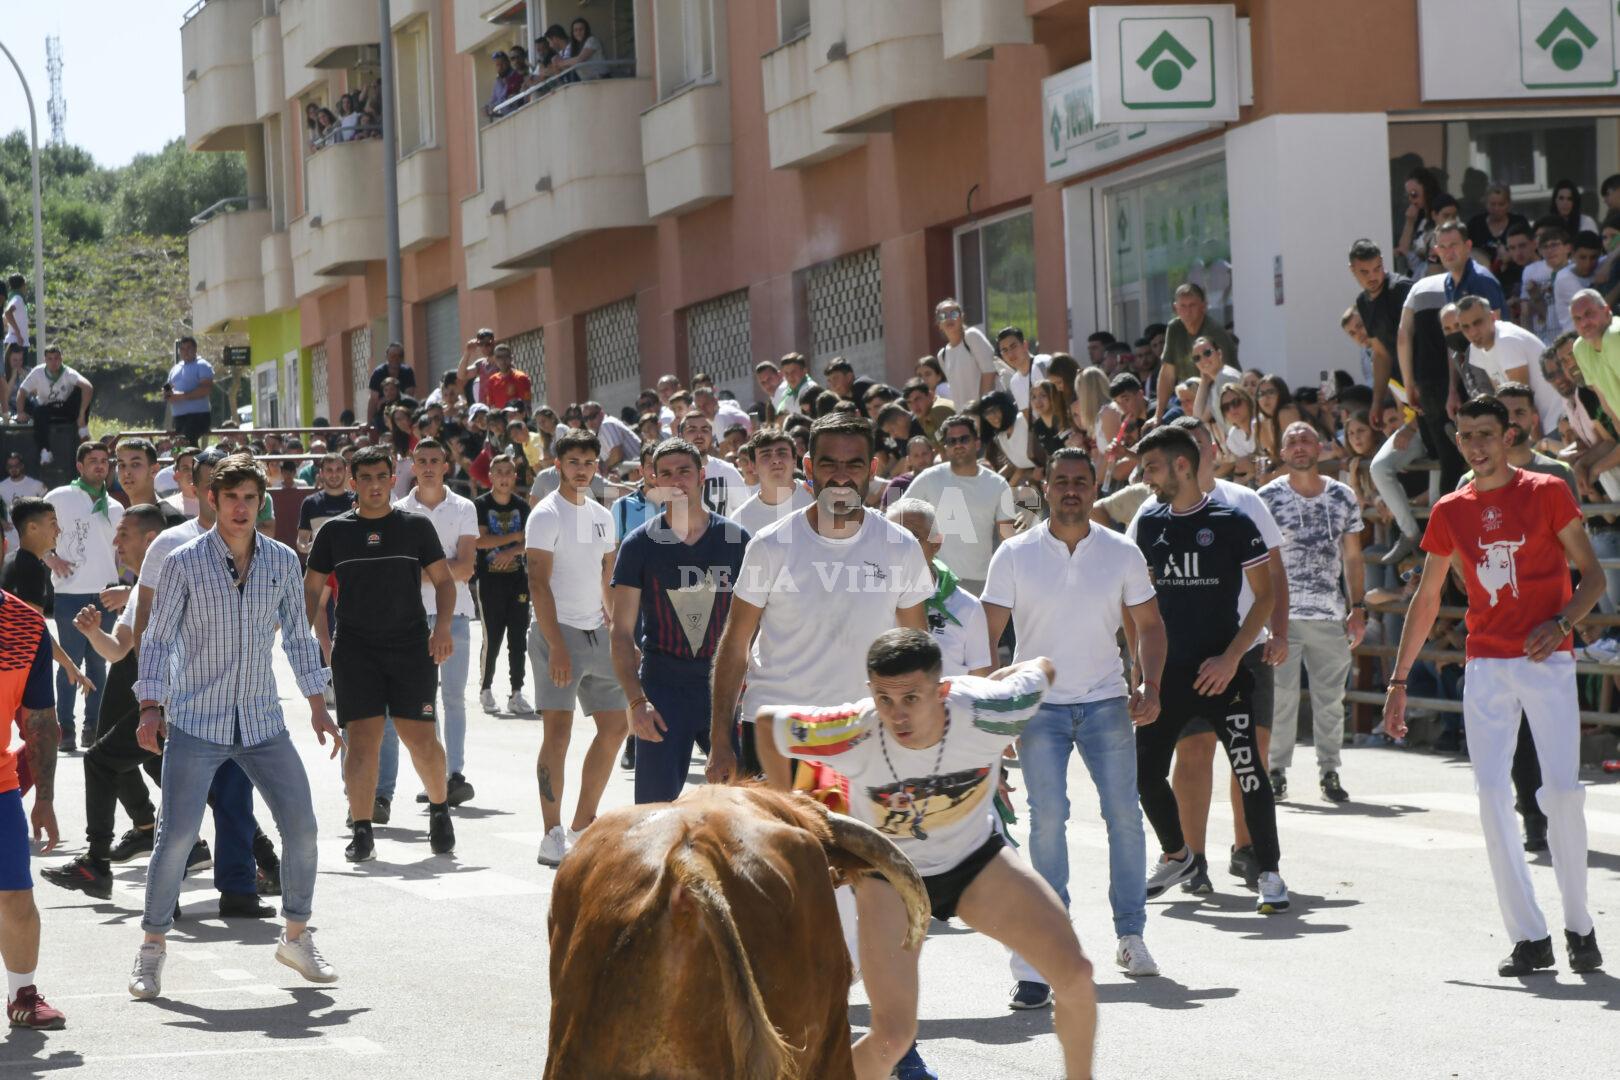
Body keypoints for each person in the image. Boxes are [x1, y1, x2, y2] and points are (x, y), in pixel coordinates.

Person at [755, 631, 1096, 1080]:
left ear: (943, 690)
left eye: (912, 698)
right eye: (884, 698)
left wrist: (1002, 679)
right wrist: (796, 825)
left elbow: (1045, 667)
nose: (897, 715)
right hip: (888, 876)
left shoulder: (990, 710)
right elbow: (766, 724)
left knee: (1076, 976)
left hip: (977, 864)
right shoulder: (855, 728)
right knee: (893, 1037)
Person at [1384, 394, 1603, 976]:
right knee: (1488, 798)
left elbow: (1594, 576)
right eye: (1466, 436)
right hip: (1486, 664)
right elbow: (1427, 599)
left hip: (1548, 659)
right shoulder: (1450, 510)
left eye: (1486, 433)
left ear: (1509, 435)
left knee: (1561, 795)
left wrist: (1561, 623)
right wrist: (1398, 681)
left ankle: (1580, 925)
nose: (1476, 445)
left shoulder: (1548, 492)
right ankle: (1530, 936)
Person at [128, 454, 341, 1000]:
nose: (242, 507)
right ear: (212, 502)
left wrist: (318, 703)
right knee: (175, 837)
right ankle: (151, 948)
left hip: (263, 720)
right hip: (197, 719)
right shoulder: (183, 562)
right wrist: (151, 706)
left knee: (304, 829)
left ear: (260, 502)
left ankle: (296, 935)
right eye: (232, 498)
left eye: (251, 498)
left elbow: (297, 635)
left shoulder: (281, 562)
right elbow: (157, 639)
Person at [981, 449, 1165, 989]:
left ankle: (1130, 935)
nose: (1070, 490)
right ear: (1043, 486)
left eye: (1080, 482)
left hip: (1107, 701)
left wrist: (1149, 683)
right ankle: (1050, 938)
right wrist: (999, 711)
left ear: (1094, 487)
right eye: (1059, 481)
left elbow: (1150, 625)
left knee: (1125, 818)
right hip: (1039, 707)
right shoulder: (1013, 554)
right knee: (1048, 819)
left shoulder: (1121, 551)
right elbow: (985, 636)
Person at [706, 414, 933, 789]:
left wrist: (924, 728)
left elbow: (918, 647)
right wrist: (719, 741)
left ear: (872, 469)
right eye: (829, 464)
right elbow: (735, 644)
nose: (841, 476)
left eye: (854, 464)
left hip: (865, 729)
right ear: (809, 468)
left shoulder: (901, 547)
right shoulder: (769, 544)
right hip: (776, 730)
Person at [1127, 425, 1289, 913]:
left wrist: (1233, 656)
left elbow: (1265, 596)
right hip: (1168, 676)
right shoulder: (1150, 523)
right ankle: (1179, 855)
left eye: (1152, 467)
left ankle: (1269, 871)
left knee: (1249, 770)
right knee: (1146, 776)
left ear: (1182, 465)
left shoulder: (1233, 520)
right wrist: (1142, 674)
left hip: (1226, 673)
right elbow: (1134, 604)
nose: (1145, 478)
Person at [304, 446, 457, 864]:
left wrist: (442, 627)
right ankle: (363, 829)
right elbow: (311, 589)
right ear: (353, 483)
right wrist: (310, 641)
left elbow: (444, 582)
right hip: (355, 650)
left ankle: (440, 811)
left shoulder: (416, 527)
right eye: (365, 478)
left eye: (381, 477)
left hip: (411, 647)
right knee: (362, 742)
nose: (373, 485)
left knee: (420, 739)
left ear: (393, 480)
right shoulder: (334, 532)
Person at [609, 438, 748, 804]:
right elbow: (621, 632)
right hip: (663, 691)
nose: (676, 480)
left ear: (702, 475)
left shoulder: (737, 539)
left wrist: (752, 681)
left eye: (684, 471)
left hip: (725, 689)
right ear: (653, 481)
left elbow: (761, 623)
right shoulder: (638, 545)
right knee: (653, 815)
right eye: (666, 473)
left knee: (742, 808)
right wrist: (637, 703)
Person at [525, 430, 627, 866]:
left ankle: (583, 826)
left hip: (597, 633)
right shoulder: (546, 515)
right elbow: (537, 582)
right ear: (558, 465)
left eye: (589, 462)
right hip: (557, 633)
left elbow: (607, 576)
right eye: (574, 462)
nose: (582, 469)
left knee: (615, 729)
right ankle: (551, 833)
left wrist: (616, 627)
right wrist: (556, 646)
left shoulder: (605, 515)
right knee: (559, 736)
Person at [1258, 423, 1365, 802]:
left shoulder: (1343, 495)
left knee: (1330, 699)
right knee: (1281, 697)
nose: (1299, 446)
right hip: (1280, 618)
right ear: (1283, 453)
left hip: (1329, 614)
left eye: (1306, 439)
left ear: (1318, 447)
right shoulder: (1266, 497)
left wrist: (1359, 607)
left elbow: (1353, 556)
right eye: (1292, 442)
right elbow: (1253, 561)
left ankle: (1330, 771)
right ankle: (1275, 770)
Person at [387, 440, 480, 807]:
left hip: (454, 612)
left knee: (454, 697)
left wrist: (424, 571)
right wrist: (443, 572)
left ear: (446, 465)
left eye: (434, 461)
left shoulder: (464, 507)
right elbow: (399, 570)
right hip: (409, 617)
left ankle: (455, 773)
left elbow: (467, 567)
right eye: (421, 460)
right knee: (423, 700)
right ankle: (435, 775)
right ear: (412, 465)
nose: (427, 466)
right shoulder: (398, 510)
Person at [0, 531, 64, 1028]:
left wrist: (44, 797)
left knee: (16, 898)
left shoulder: (25, 624)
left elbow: (40, 720)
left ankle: (24, 995)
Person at [44, 442, 123, 752]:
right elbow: (35, 531)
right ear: (79, 466)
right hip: (70, 594)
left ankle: (94, 726)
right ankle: (65, 728)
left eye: (104, 461)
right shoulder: (59, 497)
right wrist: (51, 558)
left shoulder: (116, 506)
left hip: (105, 594)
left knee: (99, 665)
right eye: (93, 461)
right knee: (69, 663)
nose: (100, 466)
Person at [903, 415, 1017, 596]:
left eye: (964, 439)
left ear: (977, 443)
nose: (958, 445)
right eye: (951, 441)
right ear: (946, 448)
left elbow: (1008, 539)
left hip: (981, 582)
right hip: (934, 579)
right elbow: (898, 518)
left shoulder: (998, 484)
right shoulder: (929, 478)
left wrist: (1007, 579)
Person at [885, 500, 991, 678]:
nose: (900, 546)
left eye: (912, 536)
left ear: (937, 543)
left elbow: (979, 679)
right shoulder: (866, 598)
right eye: (892, 536)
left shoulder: (967, 606)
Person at [474, 453, 533, 716]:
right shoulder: (480, 505)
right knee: (492, 638)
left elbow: (529, 541)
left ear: (515, 476)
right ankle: (485, 689)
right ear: (491, 476)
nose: (504, 477)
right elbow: (480, 541)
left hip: (518, 580)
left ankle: (517, 691)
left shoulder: (522, 506)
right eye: (498, 472)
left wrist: (512, 551)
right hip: (490, 582)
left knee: (518, 638)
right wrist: (513, 538)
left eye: (508, 472)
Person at [1457, 294, 1563, 439]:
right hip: (1539, 424)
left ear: (1493, 317)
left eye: (1478, 323)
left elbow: (1524, 403)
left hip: (1554, 423)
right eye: (1466, 327)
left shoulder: (1507, 341)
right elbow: (1500, 393)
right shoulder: (1477, 346)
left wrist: (1536, 452)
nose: (1473, 332)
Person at [1154, 283, 1239, 422]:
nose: (1187, 311)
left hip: (1217, 398)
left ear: (1203, 306)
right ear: (1175, 308)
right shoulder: (1174, 328)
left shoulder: (1215, 332)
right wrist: (1157, 415)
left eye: (1192, 305)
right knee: (1158, 427)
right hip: (1186, 398)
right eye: (1183, 306)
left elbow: (1223, 379)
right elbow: (1167, 374)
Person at [16, 348, 92, 467]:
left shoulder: (68, 373)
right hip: (46, 408)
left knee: (81, 390)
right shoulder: (38, 372)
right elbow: (22, 391)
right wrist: (20, 412)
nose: (53, 362)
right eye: (50, 359)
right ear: (45, 360)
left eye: (56, 358)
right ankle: (45, 451)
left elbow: (88, 387)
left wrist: (82, 414)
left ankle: (83, 430)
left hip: (66, 408)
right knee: (37, 410)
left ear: (61, 359)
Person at [732, 430, 812, 536]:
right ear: (753, 466)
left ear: (794, 460)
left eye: (782, 453)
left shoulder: (816, 497)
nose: (776, 460)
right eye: (766, 455)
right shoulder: (736, 521)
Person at [675, 412, 747, 518]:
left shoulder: (727, 472)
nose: (699, 435)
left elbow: (744, 514)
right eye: (692, 430)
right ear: (680, 436)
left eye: (705, 430)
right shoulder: (669, 474)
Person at [934, 300, 997, 405]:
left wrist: (981, 408)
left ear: (961, 318)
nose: (949, 318)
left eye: (954, 314)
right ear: (939, 324)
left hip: (988, 410)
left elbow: (990, 372)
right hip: (965, 416)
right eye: (943, 316)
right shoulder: (942, 355)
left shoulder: (972, 336)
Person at [295, 453, 356, 556]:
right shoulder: (310, 503)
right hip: (320, 566)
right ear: (321, 473)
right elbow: (302, 540)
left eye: (338, 469)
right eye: (329, 470)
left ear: (346, 471)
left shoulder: (357, 500)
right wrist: (308, 548)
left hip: (349, 564)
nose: (334, 474)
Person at [163, 337, 214, 447]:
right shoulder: (175, 368)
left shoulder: (202, 365)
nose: (185, 351)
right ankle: (178, 462)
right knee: (178, 445)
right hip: (178, 417)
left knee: (186, 443)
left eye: (188, 348)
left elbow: (206, 389)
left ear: (195, 349)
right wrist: (167, 394)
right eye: (182, 349)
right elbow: (168, 387)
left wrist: (182, 396)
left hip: (198, 417)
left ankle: (195, 463)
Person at [366, 342, 416, 430]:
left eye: (399, 356)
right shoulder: (378, 373)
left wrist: (386, 399)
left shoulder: (407, 372)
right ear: (387, 357)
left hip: (403, 413)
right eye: (393, 356)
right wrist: (368, 423)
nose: (396, 359)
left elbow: (409, 395)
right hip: (383, 415)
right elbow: (373, 400)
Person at [2, 274, 28, 359]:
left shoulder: (13, 298)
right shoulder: (17, 298)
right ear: (23, 285)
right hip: (17, 344)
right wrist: (17, 333)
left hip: (15, 342)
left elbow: (4, 319)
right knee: (20, 371)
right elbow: (7, 313)